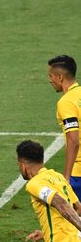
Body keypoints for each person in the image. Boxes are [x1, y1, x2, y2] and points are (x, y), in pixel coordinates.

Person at [48, 55, 81, 197]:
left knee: (73, 218)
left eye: (51, 76)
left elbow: (73, 140)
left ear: (60, 77)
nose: (50, 80)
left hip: (78, 172)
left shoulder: (66, 102)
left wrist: (66, 176)